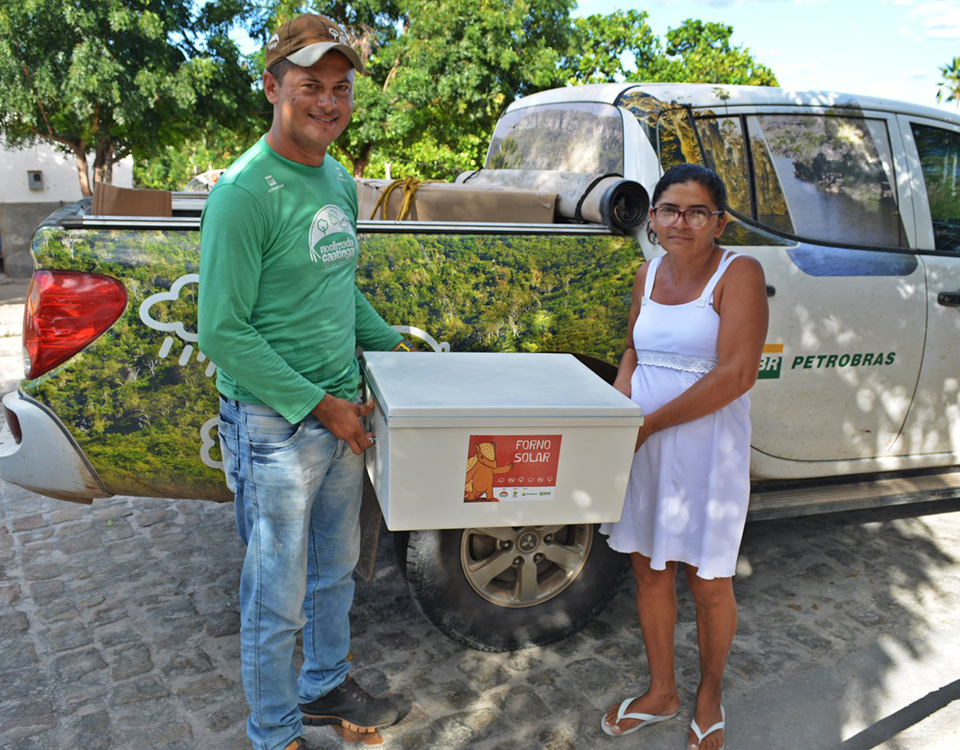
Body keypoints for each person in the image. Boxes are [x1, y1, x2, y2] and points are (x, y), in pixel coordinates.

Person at [197, 14, 406, 750]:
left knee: (336, 573)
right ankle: (275, 730)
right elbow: (222, 332)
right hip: (275, 426)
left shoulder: (338, 180)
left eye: (341, 87)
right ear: (272, 87)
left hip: (339, 407)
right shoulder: (245, 194)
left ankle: (322, 686)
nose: (328, 101)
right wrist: (322, 407)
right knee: (274, 595)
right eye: (310, 85)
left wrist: (395, 351)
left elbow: (338, 287)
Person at [598, 164, 768, 750]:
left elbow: (738, 373)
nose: (682, 222)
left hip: (705, 449)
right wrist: (621, 406)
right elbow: (631, 351)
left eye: (698, 212)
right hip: (643, 444)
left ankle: (709, 694)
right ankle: (662, 691)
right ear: (653, 217)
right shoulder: (646, 275)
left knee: (709, 580)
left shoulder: (738, 272)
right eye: (670, 209)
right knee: (649, 569)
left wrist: (647, 423)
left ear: (719, 221)